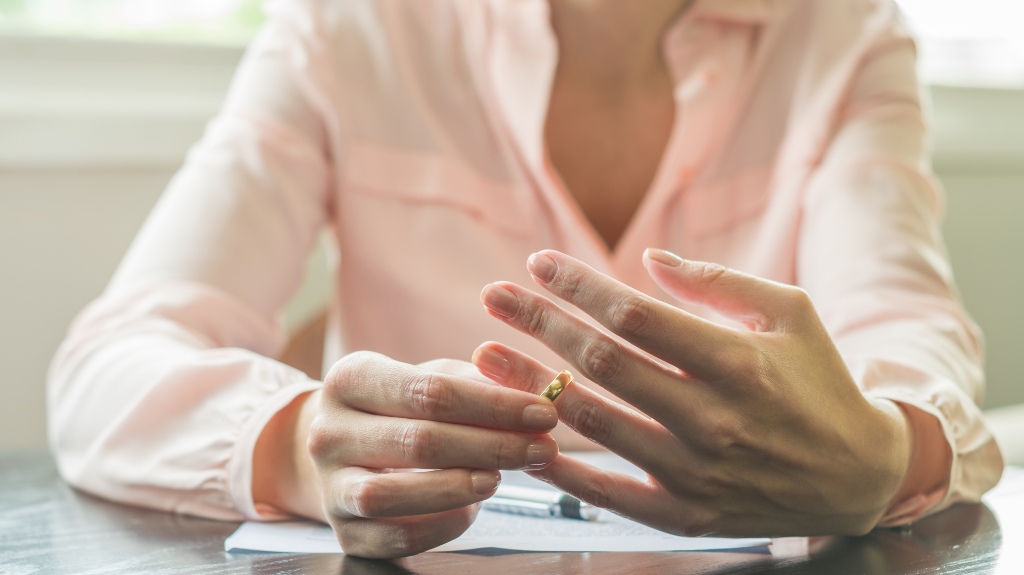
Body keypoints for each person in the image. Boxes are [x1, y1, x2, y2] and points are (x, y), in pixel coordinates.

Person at [48, 0, 1004, 559]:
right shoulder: (350, 27)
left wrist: (888, 451)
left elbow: (907, 331)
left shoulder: (843, 37)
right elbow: (107, 366)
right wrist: (303, 446)